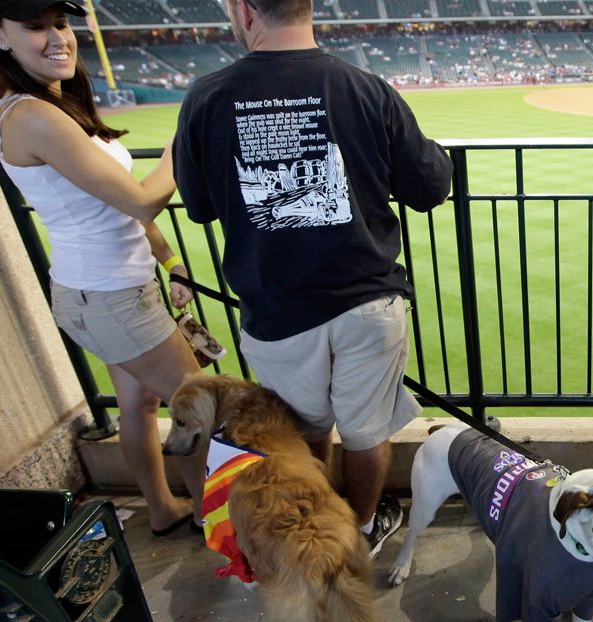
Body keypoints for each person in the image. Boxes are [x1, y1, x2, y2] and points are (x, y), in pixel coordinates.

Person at [172, 0, 453, 556]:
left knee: (300, 435)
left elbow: (199, 206)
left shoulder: (206, 97)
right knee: (366, 432)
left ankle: (316, 536)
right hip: (366, 300)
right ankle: (361, 530)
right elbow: (429, 186)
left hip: (275, 310)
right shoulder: (366, 89)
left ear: (244, 10)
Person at [0, 0, 204, 535]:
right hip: (111, 298)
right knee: (198, 404)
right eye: (35, 26)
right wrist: (181, 146)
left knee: (139, 404)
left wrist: (170, 261)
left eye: (60, 23)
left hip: (99, 292)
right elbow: (141, 201)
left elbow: (114, 208)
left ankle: (164, 509)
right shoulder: (33, 115)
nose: (58, 37)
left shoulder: (42, 105)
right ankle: (213, 515)